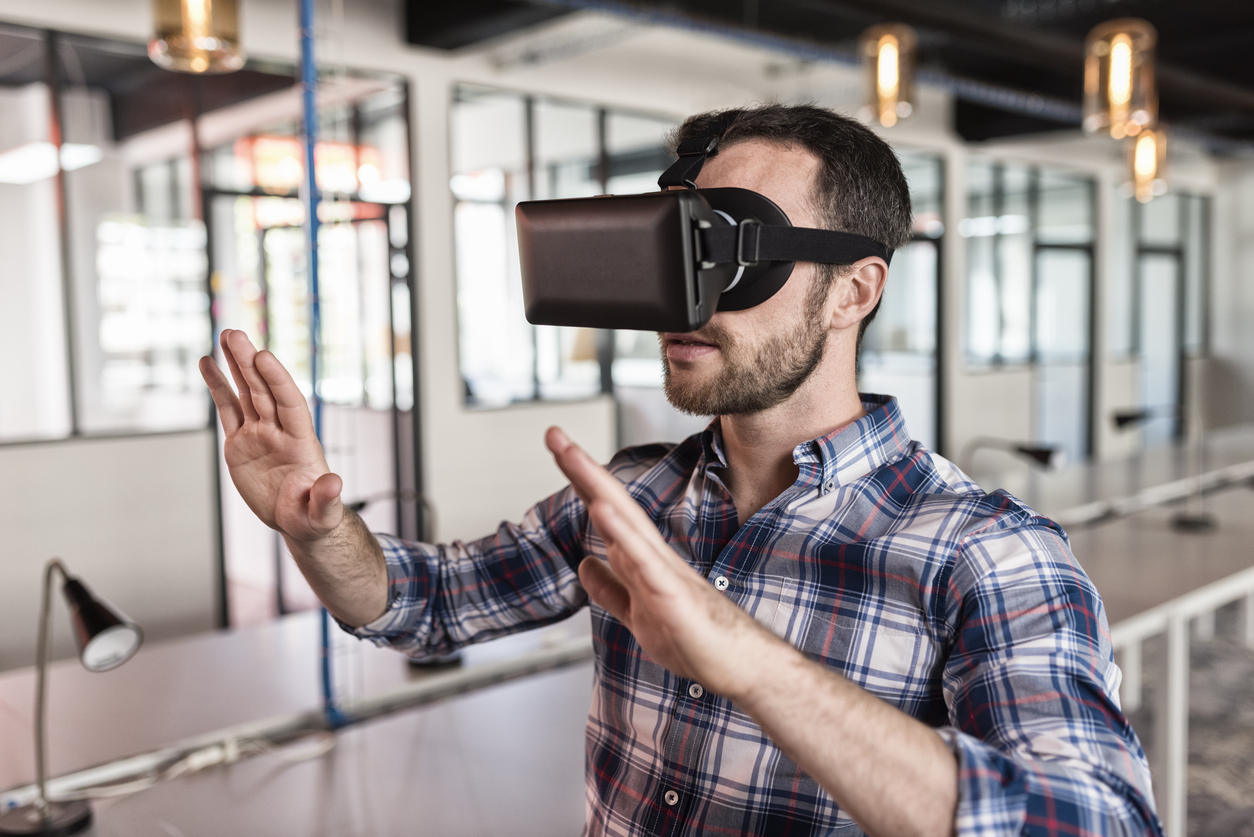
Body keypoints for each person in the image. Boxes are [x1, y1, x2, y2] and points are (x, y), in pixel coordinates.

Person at [200, 105, 1160, 837]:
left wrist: (755, 666)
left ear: (853, 289)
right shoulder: (637, 494)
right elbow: (428, 602)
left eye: (726, 254)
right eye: (673, 251)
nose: (681, 302)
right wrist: (317, 526)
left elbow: (1100, 816)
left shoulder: (984, 553)